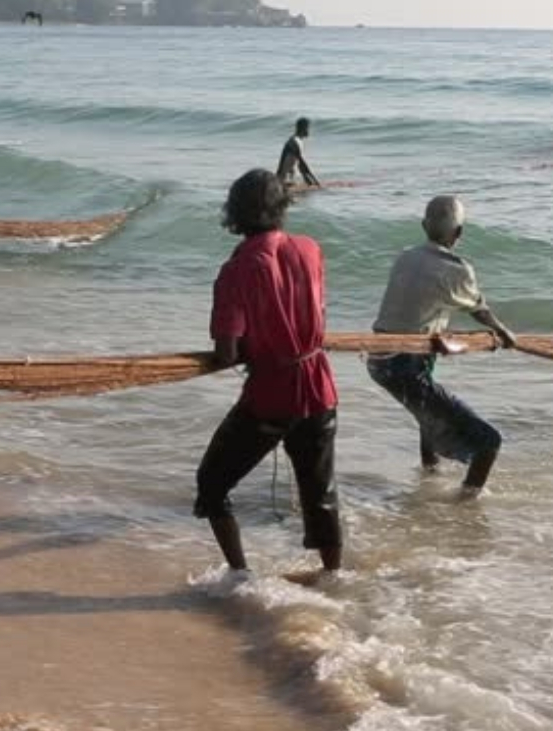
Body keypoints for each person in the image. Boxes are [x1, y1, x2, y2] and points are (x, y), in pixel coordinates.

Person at [194, 169, 342, 576]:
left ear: (234, 214)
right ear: (283, 208)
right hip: (319, 386)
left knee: (212, 484)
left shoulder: (236, 270)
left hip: (270, 398)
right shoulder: (311, 249)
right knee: (320, 494)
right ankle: (333, 577)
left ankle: (240, 574)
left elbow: (226, 353)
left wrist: (249, 348)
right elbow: (318, 315)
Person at [367, 195, 516, 496]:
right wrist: (503, 332)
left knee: (429, 414)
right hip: (404, 368)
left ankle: (429, 475)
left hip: (378, 359)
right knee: (489, 442)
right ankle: (465, 508)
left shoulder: (405, 256)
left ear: (424, 225)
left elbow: (419, 306)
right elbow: (478, 309)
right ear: (459, 233)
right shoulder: (456, 267)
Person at [276, 117, 320, 186]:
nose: (309, 131)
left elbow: (299, 164)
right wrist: (314, 180)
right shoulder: (294, 142)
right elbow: (302, 164)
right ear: (303, 128)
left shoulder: (298, 141)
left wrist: (308, 179)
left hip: (289, 178)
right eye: (308, 128)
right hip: (283, 180)